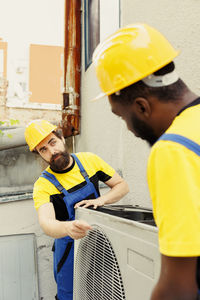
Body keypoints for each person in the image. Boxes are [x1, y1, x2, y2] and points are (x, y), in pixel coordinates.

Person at [92, 23, 200, 299]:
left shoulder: (174, 150)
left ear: (141, 106)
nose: (128, 127)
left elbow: (178, 287)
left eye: (121, 116)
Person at [24, 119, 129, 300]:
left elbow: (122, 186)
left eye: (52, 142)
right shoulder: (43, 186)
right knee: (69, 295)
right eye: (43, 150)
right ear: (39, 155)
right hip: (68, 249)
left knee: (103, 291)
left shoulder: (90, 160)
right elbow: (46, 222)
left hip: (99, 241)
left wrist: (101, 200)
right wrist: (67, 228)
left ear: (61, 137)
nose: (52, 152)